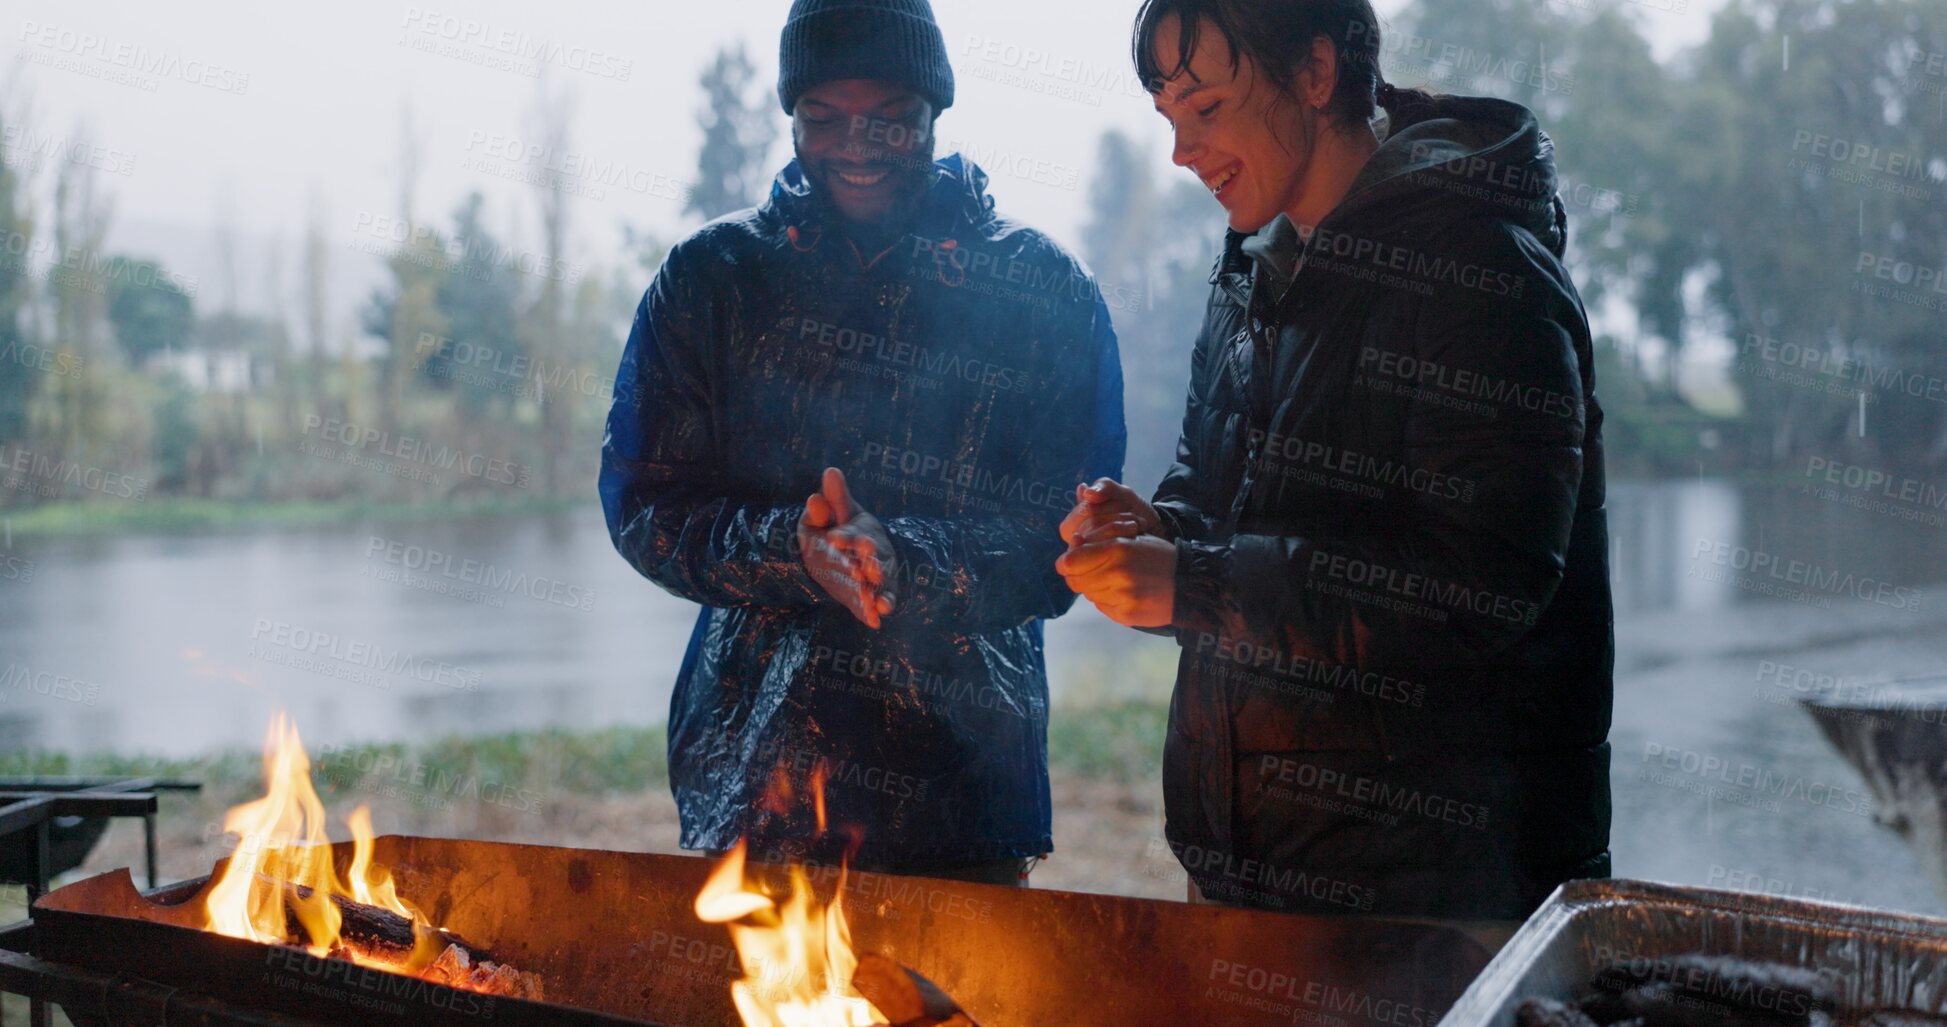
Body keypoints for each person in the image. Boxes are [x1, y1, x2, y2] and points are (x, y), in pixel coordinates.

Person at [1058, 0, 1612, 920]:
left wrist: (1193, 582)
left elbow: (1478, 585)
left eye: (1205, 109)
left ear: (1315, 75)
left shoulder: (1482, 275)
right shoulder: (1251, 264)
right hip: (1243, 863)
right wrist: (1157, 533)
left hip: (1434, 891)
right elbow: (1213, 493)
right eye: (1167, 119)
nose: (1181, 153)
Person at [601, 0, 1125, 884]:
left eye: (891, 120)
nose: (856, 144)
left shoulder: (1040, 290)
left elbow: (1067, 532)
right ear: (790, 114)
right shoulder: (710, 278)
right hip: (757, 784)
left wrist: (905, 560)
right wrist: (794, 550)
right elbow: (648, 505)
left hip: (964, 790)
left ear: (935, 113)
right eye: (824, 118)